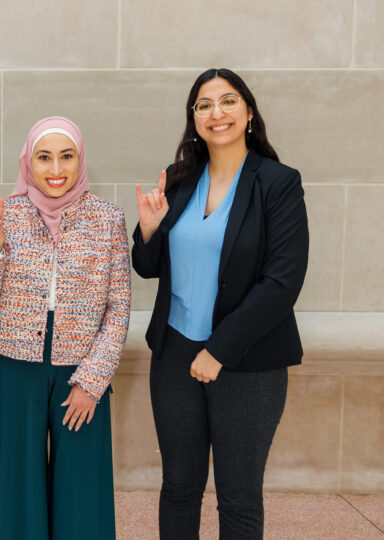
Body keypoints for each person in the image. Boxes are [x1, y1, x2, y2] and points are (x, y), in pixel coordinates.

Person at [132, 68, 309, 539]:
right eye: (204, 104)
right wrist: (149, 229)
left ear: (249, 112)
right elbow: (148, 266)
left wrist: (218, 352)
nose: (217, 113)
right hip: (173, 354)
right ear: (193, 119)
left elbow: (282, 282)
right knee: (179, 488)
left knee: (239, 496)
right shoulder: (179, 180)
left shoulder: (278, 183)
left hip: (246, 362)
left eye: (228, 101)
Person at [0, 116, 130, 540]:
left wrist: (92, 382)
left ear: (81, 160)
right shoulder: (6, 213)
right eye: (44, 157)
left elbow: (118, 311)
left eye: (66, 156)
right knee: (17, 483)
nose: (55, 169)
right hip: (17, 366)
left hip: (81, 369)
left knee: (82, 487)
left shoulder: (108, 219)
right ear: (29, 161)